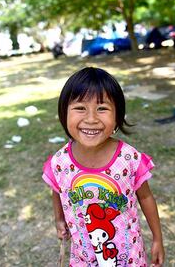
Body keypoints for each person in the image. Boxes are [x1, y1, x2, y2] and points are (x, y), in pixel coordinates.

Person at [42, 67, 165, 266]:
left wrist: (158, 238)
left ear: (117, 115)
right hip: (83, 257)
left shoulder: (129, 158)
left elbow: (146, 196)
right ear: (64, 112)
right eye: (80, 108)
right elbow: (57, 189)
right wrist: (59, 219)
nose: (91, 119)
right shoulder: (59, 162)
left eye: (102, 108)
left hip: (128, 256)